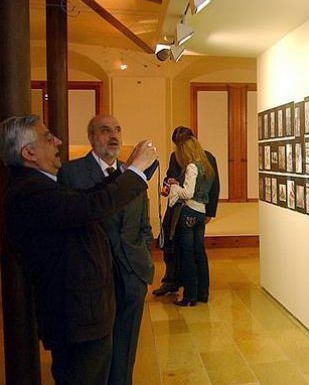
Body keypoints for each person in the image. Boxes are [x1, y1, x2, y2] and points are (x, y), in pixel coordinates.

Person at [0, 115, 157, 385]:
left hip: (88, 308)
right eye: (48, 137)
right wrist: (136, 172)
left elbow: (86, 200)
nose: (57, 141)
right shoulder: (30, 191)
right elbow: (91, 207)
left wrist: (126, 172)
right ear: (28, 152)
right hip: (76, 315)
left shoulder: (38, 185)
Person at [57, 115, 154, 385]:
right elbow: (78, 218)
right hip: (96, 279)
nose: (113, 136)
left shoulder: (133, 172)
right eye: (104, 130)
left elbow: (143, 223)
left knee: (126, 349)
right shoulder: (72, 173)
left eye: (117, 130)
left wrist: (144, 256)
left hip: (133, 274)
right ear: (91, 137)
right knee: (97, 354)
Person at [152, 127, 219, 297]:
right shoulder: (175, 157)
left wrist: (210, 212)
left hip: (191, 207)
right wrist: (168, 185)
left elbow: (214, 187)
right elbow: (169, 176)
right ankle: (172, 281)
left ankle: (194, 289)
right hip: (176, 207)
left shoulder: (207, 158)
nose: (179, 148)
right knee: (169, 242)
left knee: (191, 251)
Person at [166, 136, 215, 306]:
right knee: (199, 254)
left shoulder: (192, 166)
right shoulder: (207, 165)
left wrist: (174, 187)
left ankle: (189, 296)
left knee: (187, 256)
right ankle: (203, 293)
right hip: (201, 213)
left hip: (188, 213)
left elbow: (187, 194)